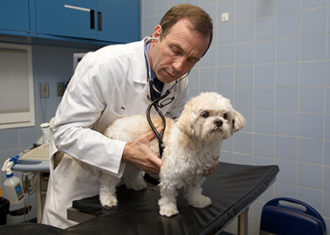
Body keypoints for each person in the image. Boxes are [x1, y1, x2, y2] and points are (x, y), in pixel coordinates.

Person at [42, 4, 214, 229]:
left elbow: (169, 133)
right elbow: (65, 132)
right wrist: (123, 152)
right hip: (82, 188)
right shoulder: (103, 65)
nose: (179, 66)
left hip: (130, 190)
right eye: (176, 50)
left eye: (192, 59)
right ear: (157, 34)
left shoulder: (179, 82)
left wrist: (199, 155)